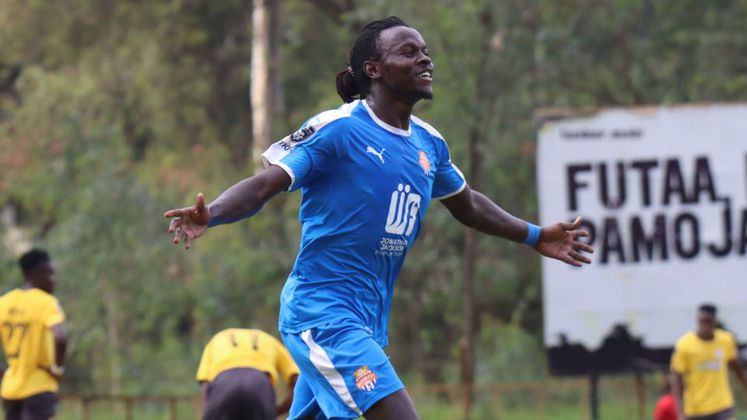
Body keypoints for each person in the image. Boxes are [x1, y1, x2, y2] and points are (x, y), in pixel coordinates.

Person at [166, 16, 593, 419]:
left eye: (425, 51)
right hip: (323, 315)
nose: (424, 59)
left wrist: (535, 235)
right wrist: (212, 213)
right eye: (409, 52)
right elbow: (264, 185)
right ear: (374, 69)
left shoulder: (429, 144)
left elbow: (468, 204)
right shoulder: (338, 129)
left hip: (365, 321)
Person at [0, 249, 67, 420]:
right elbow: (60, 337)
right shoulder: (46, 302)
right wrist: (58, 369)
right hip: (39, 386)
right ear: (36, 274)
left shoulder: (5, 302)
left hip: (10, 389)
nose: (54, 280)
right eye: (50, 274)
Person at [196, 328, 299, 420]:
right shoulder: (271, 341)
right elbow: (298, 381)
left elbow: (205, 384)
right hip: (259, 384)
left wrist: (212, 408)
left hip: (223, 384)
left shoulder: (217, 339)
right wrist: (274, 411)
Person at [671, 304, 747, 420]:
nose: (705, 325)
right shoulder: (684, 345)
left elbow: (735, 366)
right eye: (702, 321)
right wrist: (680, 412)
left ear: (715, 322)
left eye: (708, 321)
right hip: (696, 408)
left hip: (722, 405)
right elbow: (677, 378)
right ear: (697, 320)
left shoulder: (726, 340)